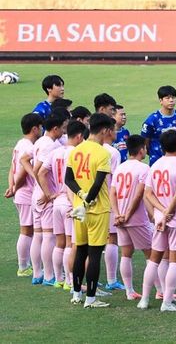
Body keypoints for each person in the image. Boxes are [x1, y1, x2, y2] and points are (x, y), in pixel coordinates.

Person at [64, 113, 116, 308]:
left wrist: (80, 195)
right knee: (94, 254)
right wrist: (89, 199)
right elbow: (98, 183)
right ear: (104, 130)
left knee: (81, 252)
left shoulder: (76, 150)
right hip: (97, 209)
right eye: (111, 130)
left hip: (79, 210)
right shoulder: (103, 153)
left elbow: (68, 179)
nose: (113, 133)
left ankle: (77, 294)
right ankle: (91, 298)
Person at [139, 130, 176, 312]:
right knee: (174, 261)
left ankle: (144, 299)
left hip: (160, 217)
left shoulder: (154, 166)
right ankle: (167, 302)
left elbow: (148, 193)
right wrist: (168, 211)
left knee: (155, 259)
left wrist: (161, 212)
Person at [110, 135, 154, 301]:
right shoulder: (144, 169)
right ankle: (158, 290)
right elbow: (138, 195)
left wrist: (118, 214)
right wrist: (127, 215)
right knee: (152, 255)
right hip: (136, 218)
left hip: (119, 217)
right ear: (141, 149)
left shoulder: (120, 167)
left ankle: (129, 291)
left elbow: (112, 192)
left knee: (126, 254)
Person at [48, 120, 86, 290]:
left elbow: (41, 172)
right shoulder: (75, 153)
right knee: (72, 244)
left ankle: (58, 279)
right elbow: (71, 181)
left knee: (59, 242)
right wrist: (73, 203)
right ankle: (71, 281)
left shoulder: (56, 152)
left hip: (57, 201)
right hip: (69, 200)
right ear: (78, 136)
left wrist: (50, 193)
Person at [31, 113, 65, 286]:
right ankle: (49, 275)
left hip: (36, 194)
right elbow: (38, 170)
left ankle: (38, 273)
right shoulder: (50, 146)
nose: (65, 130)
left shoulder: (39, 142)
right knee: (48, 236)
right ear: (56, 128)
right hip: (45, 195)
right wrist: (48, 193)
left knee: (38, 235)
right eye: (64, 126)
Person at [94, 93, 124, 291]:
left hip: (89, 199)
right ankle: (112, 280)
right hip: (108, 199)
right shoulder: (112, 152)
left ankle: (85, 283)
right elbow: (115, 179)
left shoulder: (87, 148)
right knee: (111, 239)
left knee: (90, 242)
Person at [6, 113, 42, 278]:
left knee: (29, 230)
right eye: (40, 127)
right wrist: (15, 187)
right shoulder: (28, 147)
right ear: (35, 129)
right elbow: (20, 172)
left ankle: (26, 265)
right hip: (26, 193)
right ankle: (23, 266)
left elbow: (11, 169)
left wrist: (11, 186)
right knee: (27, 230)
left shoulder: (20, 144)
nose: (42, 130)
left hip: (22, 192)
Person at [141, 85, 176, 166]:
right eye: (167, 98)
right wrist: (154, 152)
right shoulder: (152, 119)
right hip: (157, 161)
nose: (171, 100)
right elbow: (145, 141)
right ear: (161, 101)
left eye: (173, 97)